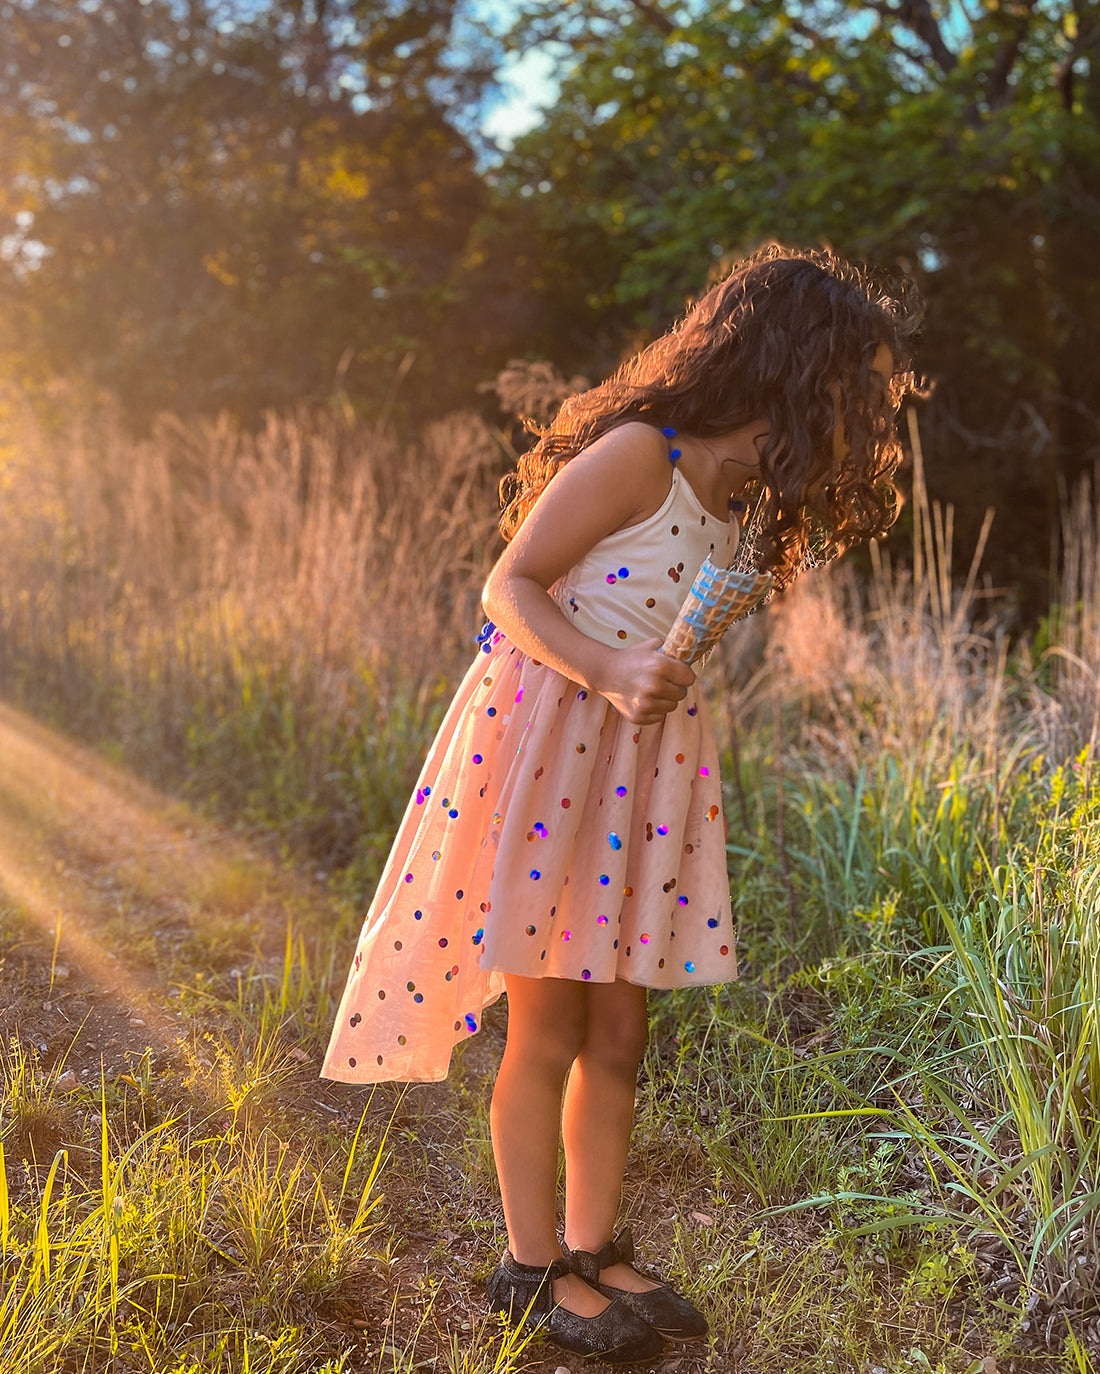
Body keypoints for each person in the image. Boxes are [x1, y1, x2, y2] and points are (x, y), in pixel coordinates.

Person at [322, 244, 922, 1361]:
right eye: (856, 389)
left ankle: (595, 1249)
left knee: (619, 1023)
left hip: (636, 776)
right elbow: (508, 584)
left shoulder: (737, 504)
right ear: (795, 370)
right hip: (554, 757)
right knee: (547, 1018)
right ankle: (527, 1264)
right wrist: (603, 671)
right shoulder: (639, 455)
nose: (866, 417)